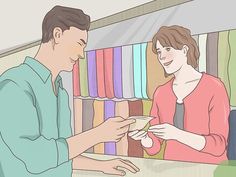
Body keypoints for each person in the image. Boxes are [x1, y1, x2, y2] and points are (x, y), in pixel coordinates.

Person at [0, 6, 139, 177]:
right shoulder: (15, 85)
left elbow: (61, 153)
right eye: (79, 43)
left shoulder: (60, 91)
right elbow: (35, 158)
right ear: (57, 35)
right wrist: (97, 135)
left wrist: (101, 166)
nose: (81, 54)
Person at [129, 25, 230, 164]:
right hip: (171, 167)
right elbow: (155, 147)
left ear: (184, 50)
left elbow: (218, 145)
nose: (162, 56)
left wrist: (177, 134)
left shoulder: (214, 87)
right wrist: (145, 138)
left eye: (168, 49)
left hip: (208, 169)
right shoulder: (161, 93)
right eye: (159, 51)